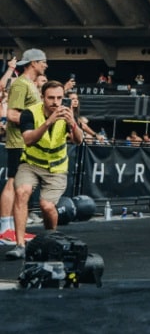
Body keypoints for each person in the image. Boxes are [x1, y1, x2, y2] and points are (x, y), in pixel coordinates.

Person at [7, 80, 84, 259]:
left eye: (59, 98)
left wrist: (73, 123)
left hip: (56, 168)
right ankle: (20, 245)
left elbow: (79, 140)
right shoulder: (29, 113)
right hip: (31, 163)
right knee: (22, 192)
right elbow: (28, 140)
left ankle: (51, 239)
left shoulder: (67, 113)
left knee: (47, 206)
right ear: (43, 98)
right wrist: (48, 122)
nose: (55, 102)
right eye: (51, 98)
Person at [1, 49, 47, 245]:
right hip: (18, 141)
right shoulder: (21, 84)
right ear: (33, 63)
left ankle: (12, 228)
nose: (46, 65)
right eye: (43, 62)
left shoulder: (30, 85)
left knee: (21, 186)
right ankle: (4, 229)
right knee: (12, 183)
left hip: (28, 142)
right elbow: (11, 114)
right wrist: (37, 124)